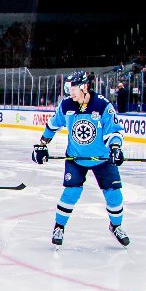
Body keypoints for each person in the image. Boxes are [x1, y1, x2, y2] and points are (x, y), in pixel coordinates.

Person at [32, 71, 129, 247]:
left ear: (84, 87)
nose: (71, 92)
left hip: (102, 158)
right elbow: (52, 126)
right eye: (69, 88)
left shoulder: (102, 105)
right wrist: (41, 145)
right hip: (75, 158)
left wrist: (115, 148)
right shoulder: (66, 105)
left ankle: (116, 226)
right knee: (71, 192)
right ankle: (59, 227)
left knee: (114, 194)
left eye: (73, 88)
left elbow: (114, 130)